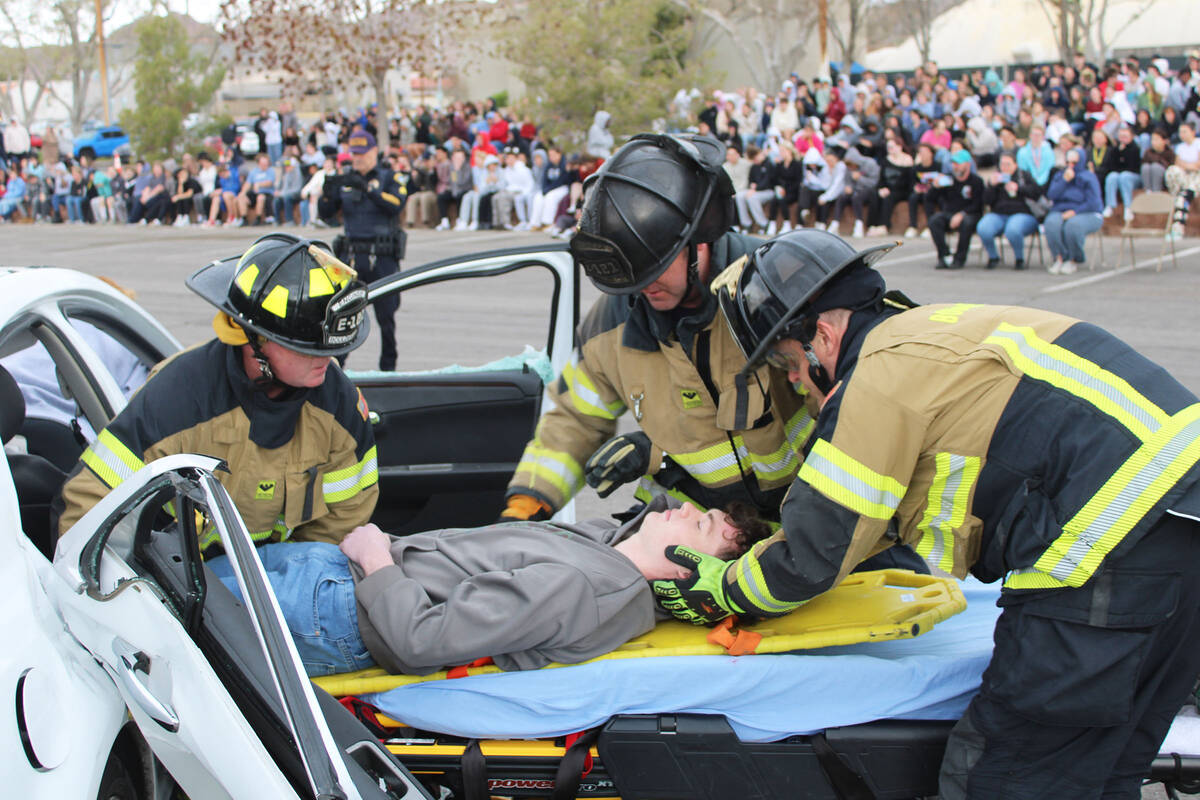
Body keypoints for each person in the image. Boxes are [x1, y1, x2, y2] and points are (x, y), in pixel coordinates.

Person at [658, 228, 1200, 799]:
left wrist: (720, 590)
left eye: (787, 362)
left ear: (822, 334)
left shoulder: (877, 378)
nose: (794, 382)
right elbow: (872, 529)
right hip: (1180, 524)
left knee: (1003, 776)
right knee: (1102, 771)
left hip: (1115, 542)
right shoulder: (935, 333)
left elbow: (813, 553)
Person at [501, 133, 808, 525]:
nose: (643, 287)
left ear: (699, 241)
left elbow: (845, 410)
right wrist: (526, 505)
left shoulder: (777, 286)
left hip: (797, 518)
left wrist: (656, 451)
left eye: (655, 267)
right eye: (631, 276)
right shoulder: (610, 325)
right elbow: (574, 419)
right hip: (690, 523)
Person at [55, 233, 379, 552]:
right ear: (256, 339)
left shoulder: (339, 407)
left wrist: (288, 579)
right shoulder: (178, 397)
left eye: (329, 349)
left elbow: (343, 520)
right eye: (307, 349)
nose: (327, 361)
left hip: (271, 592)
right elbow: (89, 509)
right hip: (181, 589)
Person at [207, 496, 771, 677]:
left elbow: (421, 641)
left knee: (149, 611)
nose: (687, 509)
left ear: (683, 573)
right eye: (703, 509)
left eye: (701, 526)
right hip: (328, 574)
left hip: (332, 606)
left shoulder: (582, 590)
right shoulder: (606, 547)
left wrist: (376, 559)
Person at [324, 128, 407, 371]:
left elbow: (396, 204)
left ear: (374, 151)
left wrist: (369, 189)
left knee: (386, 319)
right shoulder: (346, 179)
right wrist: (328, 195)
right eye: (354, 153)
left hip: (381, 259)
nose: (357, 158)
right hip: (351, 259)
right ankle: (335, 369)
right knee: (342, 319)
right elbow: (327, 214)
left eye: (362, 153)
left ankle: (388, 370)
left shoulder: (389, 177)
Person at [976, 152, 1042, 270]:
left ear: (1015, 165)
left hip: (1023, 213)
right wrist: (991, 185)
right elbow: (986, 201)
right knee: (983, 227)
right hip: (999, 214)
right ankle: (993, 257)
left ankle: (1019, 259)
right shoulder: (996, 178)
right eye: (1002, 164)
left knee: (1013, 229)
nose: (1004, 167)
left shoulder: (1023, 176)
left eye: (1008, 164)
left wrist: (1018, 188)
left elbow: (1036, 193)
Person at [1045, 147, 1103, 275]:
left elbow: (1093, 202)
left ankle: (1073, 258)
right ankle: (1060, 256)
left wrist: (1075, 211)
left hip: (1086, 211)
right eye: (1068, 162)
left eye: (1074, 163)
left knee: (1073, 226)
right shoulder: (1060, 175)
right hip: (1061, 209)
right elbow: (1051, 195)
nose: (1070, 166)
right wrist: (1064, 181)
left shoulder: (1088, 177)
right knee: (1051, 224)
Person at [927, 150, 984, 270]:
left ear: (967, 164)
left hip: (970, 214)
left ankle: (959, 258)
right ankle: (945, 255)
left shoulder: (976, 181)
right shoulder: (948, 180)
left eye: (958, 163)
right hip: (950, 213)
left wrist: (962, 214)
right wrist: (935, 187)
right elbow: (930, 198)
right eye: (953, 163)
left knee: (966, 223)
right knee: (934, 220)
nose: (955, 166)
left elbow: (978, 205)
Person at [1165, 121, 1200, 240]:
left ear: (1193, 132)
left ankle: (1178, 228)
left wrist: (1187, 166)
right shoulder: (1180, 147)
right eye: (1181, 132)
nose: (1182, 134)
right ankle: (1176, 193)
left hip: (1196, 177)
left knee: (1183, 198)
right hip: (1184, 177)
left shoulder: (1198, 144)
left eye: (1185, 131)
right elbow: (1177, 164)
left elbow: (1198, 165)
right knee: (1172, 170)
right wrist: (1189, 166)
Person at [1101, 126, 1141, 221]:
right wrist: (1118, 152)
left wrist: (1124, 153)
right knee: (1112, 177)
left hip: (1132, 176)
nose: (1123, 139)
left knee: (1124, 176)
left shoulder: (1135, 149)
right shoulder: (1115, 150)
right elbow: (1111, 167)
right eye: (1121, 136)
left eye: (1125, 136)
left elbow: (1132, 167)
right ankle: (1110, 205)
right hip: (1119, 174)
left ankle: (1128, 207)